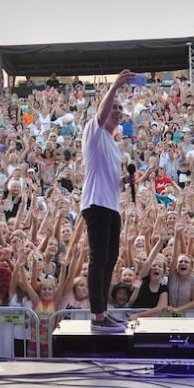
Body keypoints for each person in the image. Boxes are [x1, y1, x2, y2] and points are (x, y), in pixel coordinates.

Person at [80, 69, 133, 332]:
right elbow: (102, 113)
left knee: (111, 258)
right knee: (99, 257)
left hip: (112, 206)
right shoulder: (94, 131)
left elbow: (110, 180)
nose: (117, 111)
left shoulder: (114, 145)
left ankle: (103, 312)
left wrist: (125, 181)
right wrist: (114, 87)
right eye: (114, 106)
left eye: (121, 108)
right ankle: (98, 315)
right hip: (96, 204)